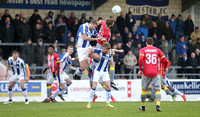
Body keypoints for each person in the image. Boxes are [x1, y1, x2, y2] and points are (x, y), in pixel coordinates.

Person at [138, 37, 168, 112]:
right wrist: (166, 67)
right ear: (153, 43)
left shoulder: (143, 50)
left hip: (146, 72)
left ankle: (143, 106)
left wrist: (139, 69)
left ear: (146, 43)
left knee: (144, 89)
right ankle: (158, 104)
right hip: (155, 72)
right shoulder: (157, 50)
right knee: (157, 90)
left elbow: (141, 59)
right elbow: (165, 60)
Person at [85, 43, 117, 108]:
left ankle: (108, 103)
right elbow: (89, 49)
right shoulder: (100, 51)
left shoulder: (110, 53)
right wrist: (86, 56)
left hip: (105, 72)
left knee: (108, 87)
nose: (103, 50)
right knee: (94, 86)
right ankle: (89, 103)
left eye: (104, 49)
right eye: (103, 48)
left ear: (108, 49)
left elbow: (112, 61)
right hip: (97, 71)